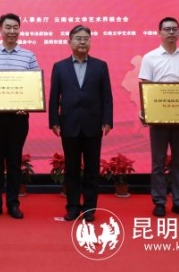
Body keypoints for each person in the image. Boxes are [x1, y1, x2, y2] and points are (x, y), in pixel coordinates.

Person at [0, 13, 39, 220]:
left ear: (19, 29)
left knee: (14, 162)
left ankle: (13, 203)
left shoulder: (29, 56)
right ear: (0, 30)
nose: (12, 31)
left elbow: (35, 87)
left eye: (15, 27)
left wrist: (28, 105)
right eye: (8, 27)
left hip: (18, 118)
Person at [49, 25, 113, 222]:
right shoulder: (60, 67)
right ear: (69, 42)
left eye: (86, 38)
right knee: (72, 169)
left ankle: (89, 209)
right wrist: (54, 121)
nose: (82, 42)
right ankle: (72, 207)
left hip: (93, 124)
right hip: (69, 124)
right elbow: (54, 97)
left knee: (92, 170)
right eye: (78, 38)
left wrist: (107, 120)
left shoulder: (100, 66)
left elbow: (107, 97)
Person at [139, 17, 179, 218]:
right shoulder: (150, 58)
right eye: (167, 29)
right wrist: (146, 111)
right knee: (158, 162)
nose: (171, 32)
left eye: (174, 29)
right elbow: (145, 87)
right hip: (159, 118)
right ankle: (159, 202)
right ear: (160, 32)